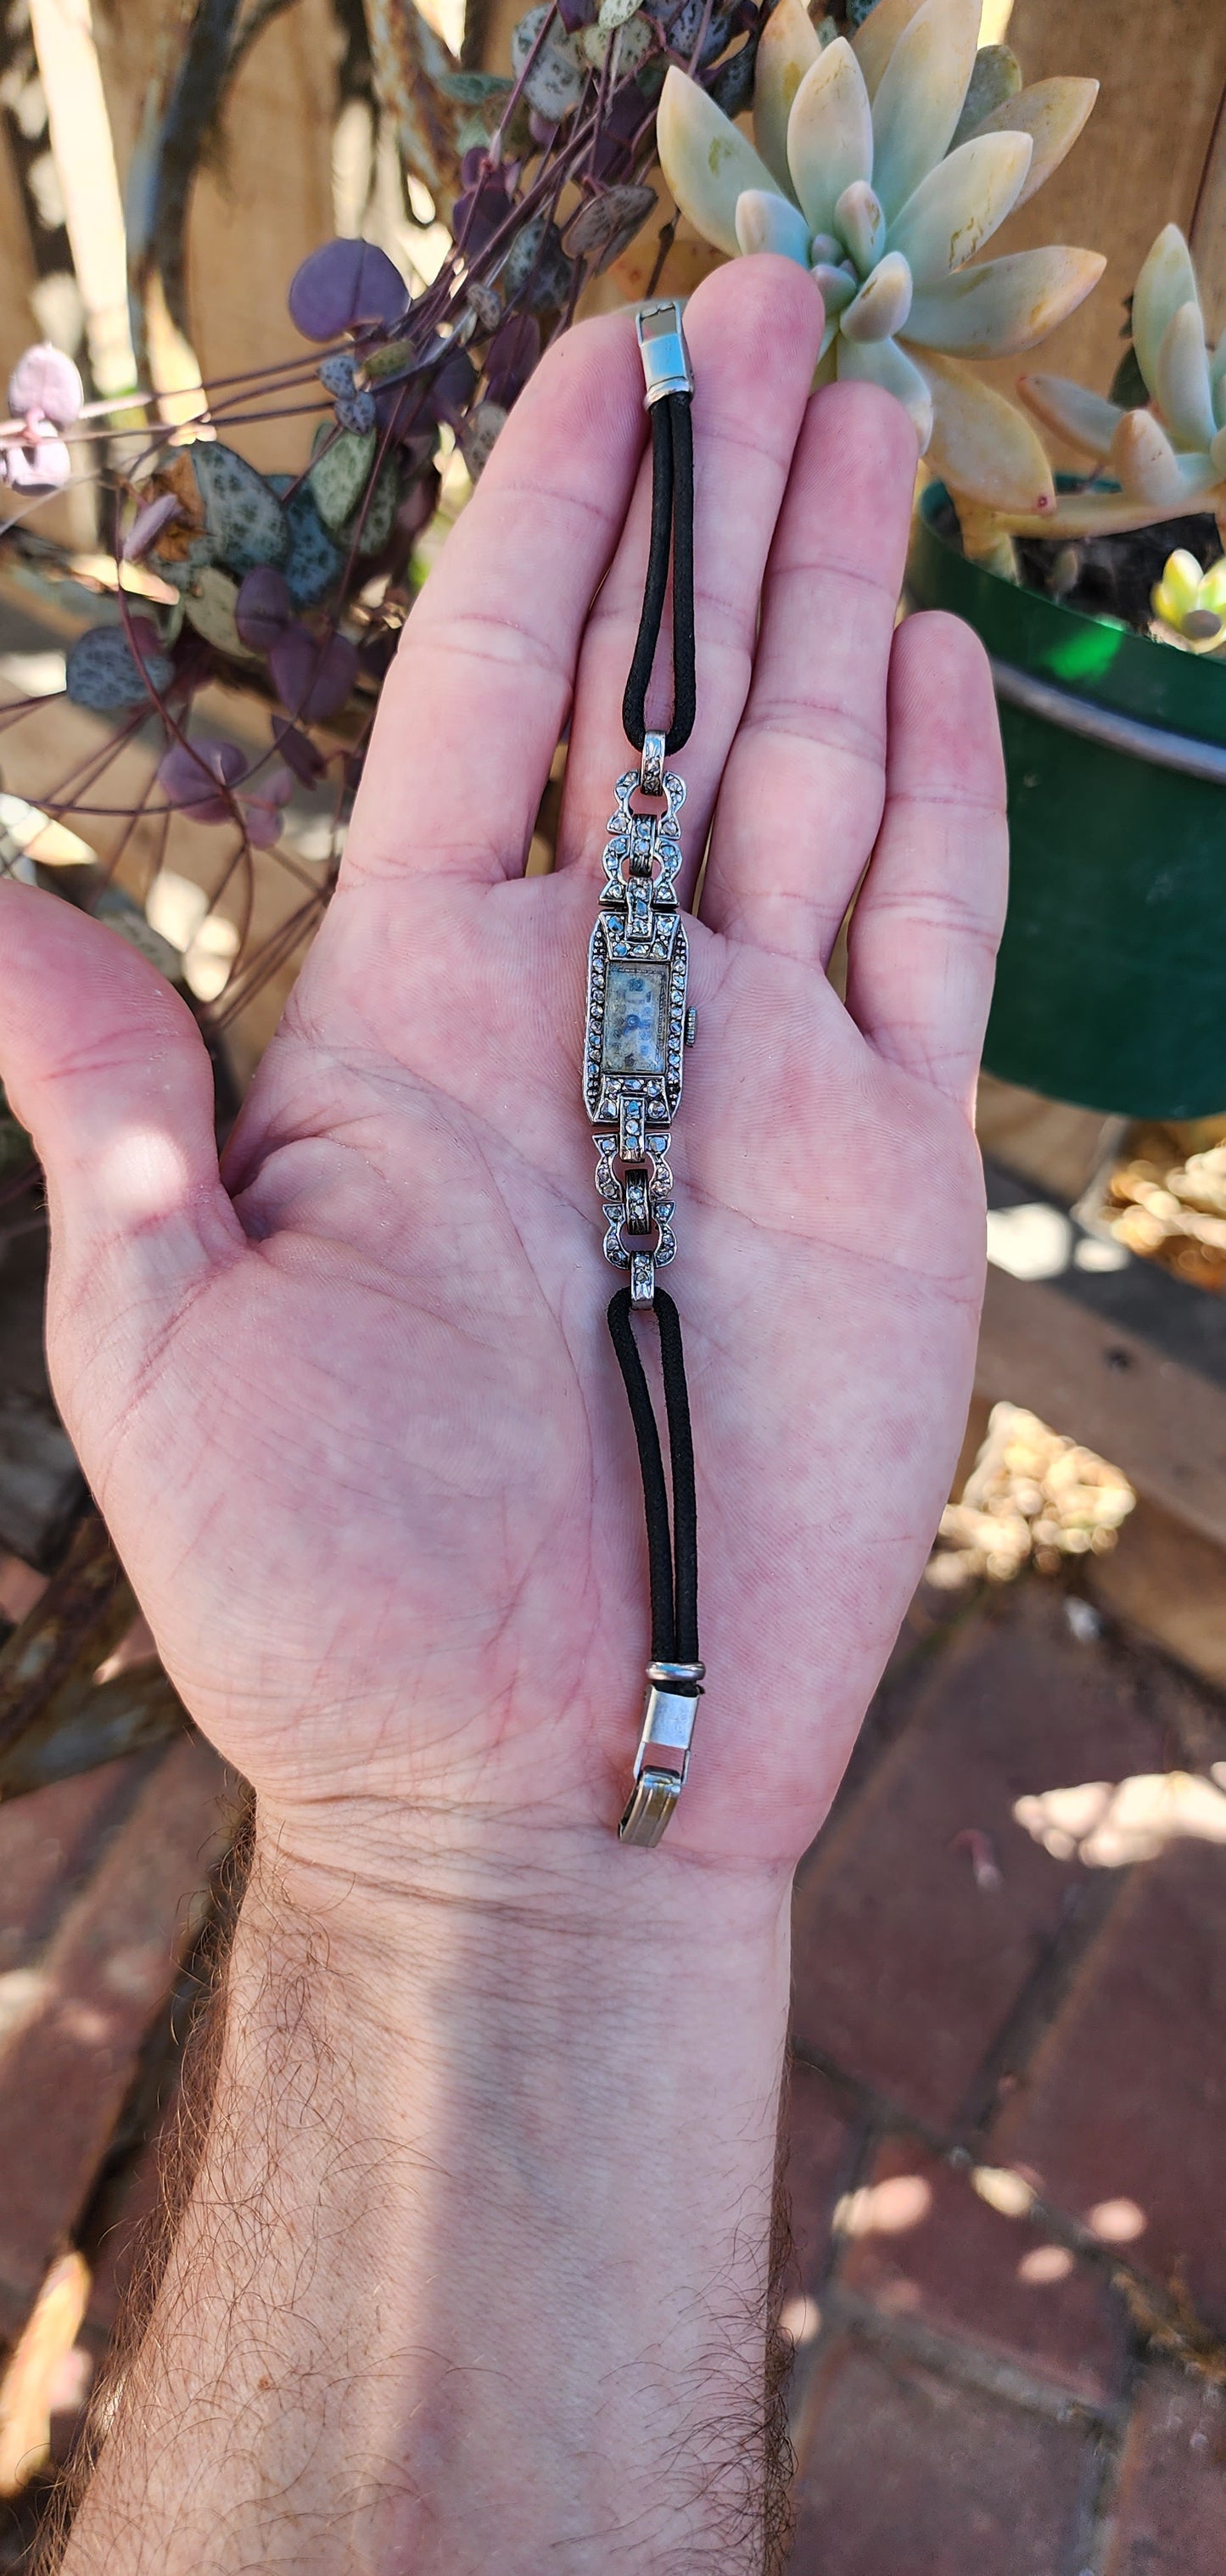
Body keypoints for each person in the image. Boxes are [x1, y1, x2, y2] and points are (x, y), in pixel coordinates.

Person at [0, 253, 1005, 2572]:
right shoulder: (626, 994)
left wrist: (512, 1870)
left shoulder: (652, 1021)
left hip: (660, 1243)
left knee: (652, 1274)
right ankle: (670, 377)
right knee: (646, 1269)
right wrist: (507, 1859)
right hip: (637, 1277)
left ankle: (675, 375)